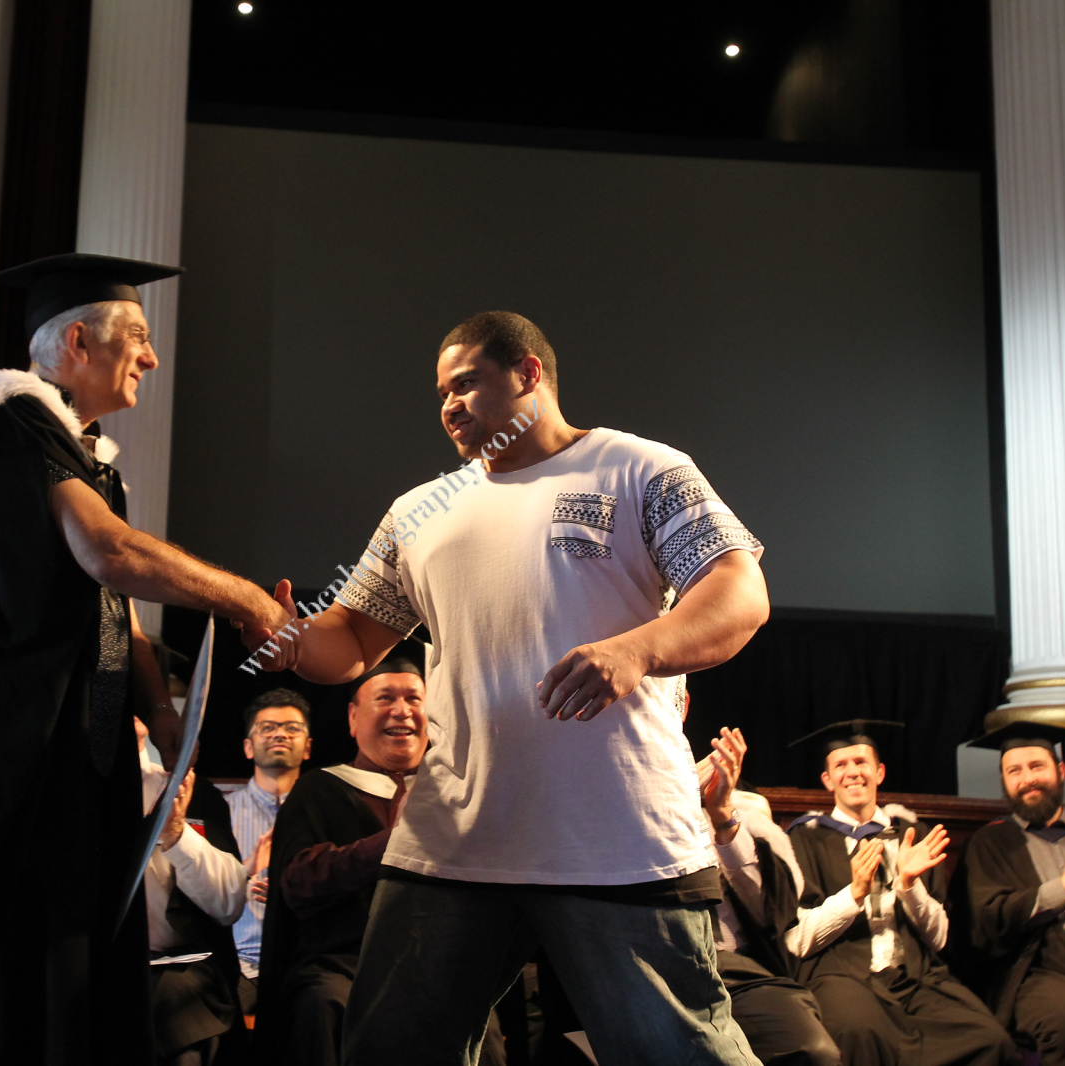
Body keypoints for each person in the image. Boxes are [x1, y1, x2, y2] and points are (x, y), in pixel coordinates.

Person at [252, 311, 769, 1066]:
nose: (449, 406)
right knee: (391, 1051)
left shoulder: (640, 469)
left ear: (528, 373)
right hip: (456, 838)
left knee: (676, 1052)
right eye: (441, 393)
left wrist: (638, 648)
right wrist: (287, 639)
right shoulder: (420, 510)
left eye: (466, 383)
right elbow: (352, 641)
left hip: (616, 839)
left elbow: (739, 593)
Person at [0, 254, 293, 1065]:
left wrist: (161, 712)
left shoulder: (81, 454)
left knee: (69, 977)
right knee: (3, 985)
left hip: (63, 759)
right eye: (139, 338)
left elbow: (110, 605)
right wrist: (248, 601)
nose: (152, 358)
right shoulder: (13, 423)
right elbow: (108, 554)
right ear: (80, 342)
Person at [785, 720, 1017, 1066]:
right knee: (860, 1033)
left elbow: (939, 939)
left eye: (861, 762)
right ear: (828, 779)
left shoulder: (913, 834)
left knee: (991, 1040)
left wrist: (909, 885)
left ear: (879, 772)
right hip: (841, 977)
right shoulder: (804, 840)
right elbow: (798, 941)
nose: (853, 772)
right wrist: (854, 894)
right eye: (841, 765)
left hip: (917, 977)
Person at [256, 661, 428, 1065]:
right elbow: (297, 883)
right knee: (324, 1003)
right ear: (353, 717)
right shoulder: (320, 790)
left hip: (434, 963)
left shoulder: (453, 793)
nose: (402, 710)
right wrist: (394, 842)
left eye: (414, 699)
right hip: (345, 965)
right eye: (385, 698)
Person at [698, 728, 838, 1066]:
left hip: (731, 966)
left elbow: (769, 913)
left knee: (813, 1050)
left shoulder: (734, 819)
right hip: (655, 959)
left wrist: (722, 814)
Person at [954, 721, 1065, 1066]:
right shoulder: (990, 842)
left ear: (1060, 771)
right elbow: (985, 921)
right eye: (1014, 771)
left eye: (1037, 766)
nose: (1027, 779)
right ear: (1004, 781)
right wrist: (1062, 888)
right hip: (1038, 970)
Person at [137, 718, 248, 1066]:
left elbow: (229, 904)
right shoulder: (64, 795)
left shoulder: (186, 789)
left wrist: (176, 833)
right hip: (87, 968)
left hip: (177, 970)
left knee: (175, 1009)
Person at [224, 689, 313, 1013]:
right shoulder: (222, 813)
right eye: (267, 727)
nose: (280, 734)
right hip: (242, 964)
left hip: (308, 965)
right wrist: (243, 877)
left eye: (292, 728)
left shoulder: (322, 812)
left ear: (308, 747)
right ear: (248, 747)